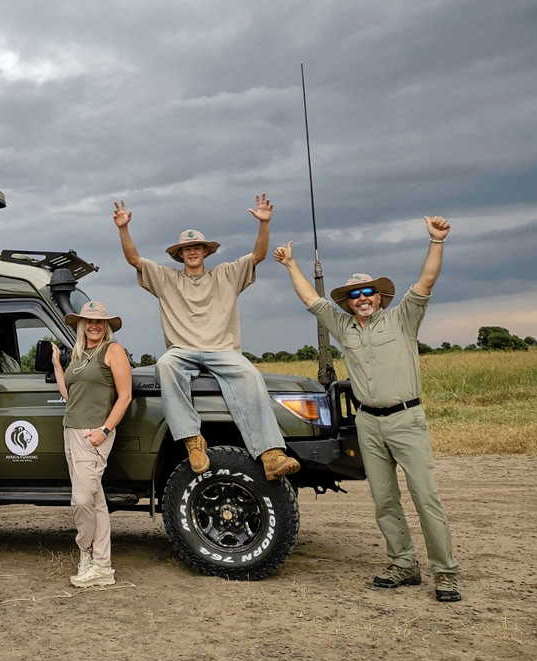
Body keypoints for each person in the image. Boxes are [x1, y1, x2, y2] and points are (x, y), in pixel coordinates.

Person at [274, 217, 462, 602]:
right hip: (368, 423)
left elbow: (425, 283)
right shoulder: (344, 328)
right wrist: (291, 264)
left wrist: (436, 241)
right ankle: (403, 564)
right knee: (385, 499)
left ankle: (445, 573)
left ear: (379, 297)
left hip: (406, 419)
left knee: (426, 497)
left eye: (368, 292)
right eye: (355, 294)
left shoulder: (403, 318)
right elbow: (312, 300)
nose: (361, 298)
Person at [114, 196, 300, 480]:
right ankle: (192, 440)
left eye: (196, 247)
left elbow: (258, 255)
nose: (192, 252)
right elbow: (134, 260)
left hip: (222, 350)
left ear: (205, 251)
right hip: (183, 350)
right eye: (186, 249)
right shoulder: (167, 279)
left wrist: (264, 224)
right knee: (165, 366)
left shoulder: (225, 274)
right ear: (180, 254)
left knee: (250, 375)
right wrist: (123, 229)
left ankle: (270, 454)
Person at [50, 300, 132, 588]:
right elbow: (69, 395)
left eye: (99, 321)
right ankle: (101, 566)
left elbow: (125, 396)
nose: (94, 325)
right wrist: (59, 367)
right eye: (89, 321)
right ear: (81, 325)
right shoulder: (80, 354)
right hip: (70, 430)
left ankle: (85, 550)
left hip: (93, 433)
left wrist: (104, 430)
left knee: (81, 500)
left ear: (106, 326)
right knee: (95, 501)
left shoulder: (113, 351)